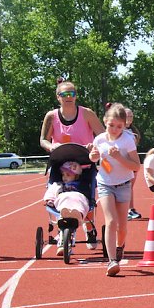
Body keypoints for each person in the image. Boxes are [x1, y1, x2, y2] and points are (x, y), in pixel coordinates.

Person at [40, 79, 104, 249]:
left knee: (85, 195)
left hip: (84, 163)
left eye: (72, 94)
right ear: (58, 96)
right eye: (64, 94)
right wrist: (51, 146)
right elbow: (43, 140)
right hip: (61, 163)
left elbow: (103, 136)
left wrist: (94, 146)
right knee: (61, 193)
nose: (69, 97)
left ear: (76, 96)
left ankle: (89, 227)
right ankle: (64, 231)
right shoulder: (52, 116)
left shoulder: (87, 114)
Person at [88, 102, 141, 276]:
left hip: (124, 183)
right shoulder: (99, 139)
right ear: (105, 121)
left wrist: (119, 157)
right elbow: (94, 156)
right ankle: (111, 260)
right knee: (111, 222)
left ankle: (120, 246)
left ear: (124, 125)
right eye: (111, 125)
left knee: (122, 226)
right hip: (105, 183)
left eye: (119, 126)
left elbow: (135, 166)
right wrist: (93, 156)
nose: (114, 129)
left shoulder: (127, 140)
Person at [43, 161, 91, 255]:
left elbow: (87, 197)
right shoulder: (59, 185)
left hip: (78, 199)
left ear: (76, 176)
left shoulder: (82, 185)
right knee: (64, 198)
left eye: (68, 175)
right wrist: (50, 200)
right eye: (63, 174)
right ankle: (67, 214)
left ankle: (77, 215)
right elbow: (51, 192)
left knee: (79, 198)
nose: (64, 177)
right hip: (64, 200)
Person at [125, 107, 142, 220]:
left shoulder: (133, 131)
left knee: (130, 187)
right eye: (127, 116)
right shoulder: (119, 131)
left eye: (131, 116)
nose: (130, 118)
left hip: (133, 162)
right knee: (125, 187)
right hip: (124, 162)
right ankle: (126, 210)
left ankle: (130, 208)